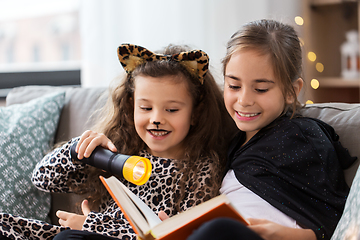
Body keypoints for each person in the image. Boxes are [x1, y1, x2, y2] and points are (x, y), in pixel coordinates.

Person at [0, 43, 235, 240]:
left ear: (195, 112)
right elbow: (42, 178)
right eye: (145, 108)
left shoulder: (201, 168)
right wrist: (77, 149)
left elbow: (178, 234)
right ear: (130, 106)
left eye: (171, 110)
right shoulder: (119, 152)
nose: (156, 119)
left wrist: (91, 226)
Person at [184, 19, 357, 240]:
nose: (244, 100)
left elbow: (337, 222)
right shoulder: (230, 143)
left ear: (291, 91)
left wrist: (286, 235)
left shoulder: (302, 138)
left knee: (217, 229)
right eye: (234, 86)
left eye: (261, 89)